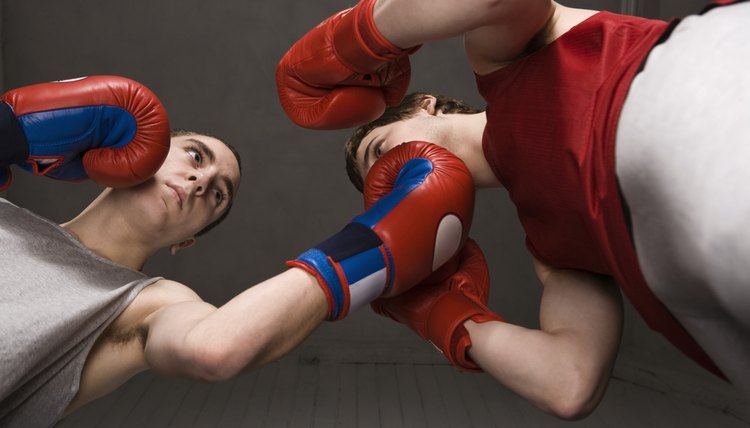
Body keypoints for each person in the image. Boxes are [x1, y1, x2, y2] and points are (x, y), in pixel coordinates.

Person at [275, 0, 750, 419]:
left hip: (714, 95)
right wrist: (438, 309)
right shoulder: (551, 247)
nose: (396, 176)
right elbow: (569, 383)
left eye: (382, 152)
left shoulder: (502, 60)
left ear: (426, 106)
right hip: (719, 293)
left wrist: (356, 38)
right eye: (384, 186)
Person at [0, 77, 477, 427]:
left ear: (188, 240)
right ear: (144, 147)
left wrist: (368, 251)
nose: (202, 181)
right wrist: (7, 131)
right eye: (195, 155)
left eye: (218, 195)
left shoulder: (147, 304)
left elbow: (215, 347)